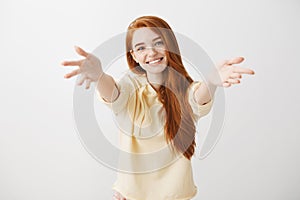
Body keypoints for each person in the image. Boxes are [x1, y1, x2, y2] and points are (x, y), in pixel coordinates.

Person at [62, 16, 254, 200]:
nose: (152, 52)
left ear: (170, 46)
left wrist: (211, 82)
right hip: (131, 195)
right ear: (134, 56)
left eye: (158, 43)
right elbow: (114, 94)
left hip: (175, 196)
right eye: (141, 47)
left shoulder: (183, 88)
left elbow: (197, 99)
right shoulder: (130, 86)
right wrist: (99, 76)